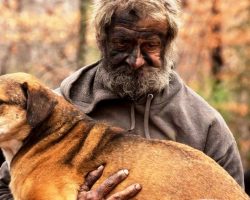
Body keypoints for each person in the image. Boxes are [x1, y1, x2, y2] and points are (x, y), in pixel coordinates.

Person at [0, 0, 245, 199]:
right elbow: (5, 190)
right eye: (122, 43)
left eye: (150, 45)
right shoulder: (51, 109)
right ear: (102, 41)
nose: (135, 59)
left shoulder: (205, 125)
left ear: (168, 46)